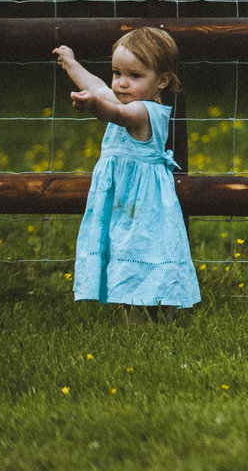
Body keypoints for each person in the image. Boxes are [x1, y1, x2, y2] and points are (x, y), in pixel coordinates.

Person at [56, 28, 202, 315]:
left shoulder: (144, 112)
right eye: (117, 73)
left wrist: (93, 105)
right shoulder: (126, 99)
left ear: (162, 81)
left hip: (143, 203)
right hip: (123, 199)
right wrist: (71, 64)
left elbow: (117, 114)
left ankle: (158, 315)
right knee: (123, 249)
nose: (122, 83)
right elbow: (98, 86)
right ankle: (136, 318)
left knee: (142, 250)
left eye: (134, 76)